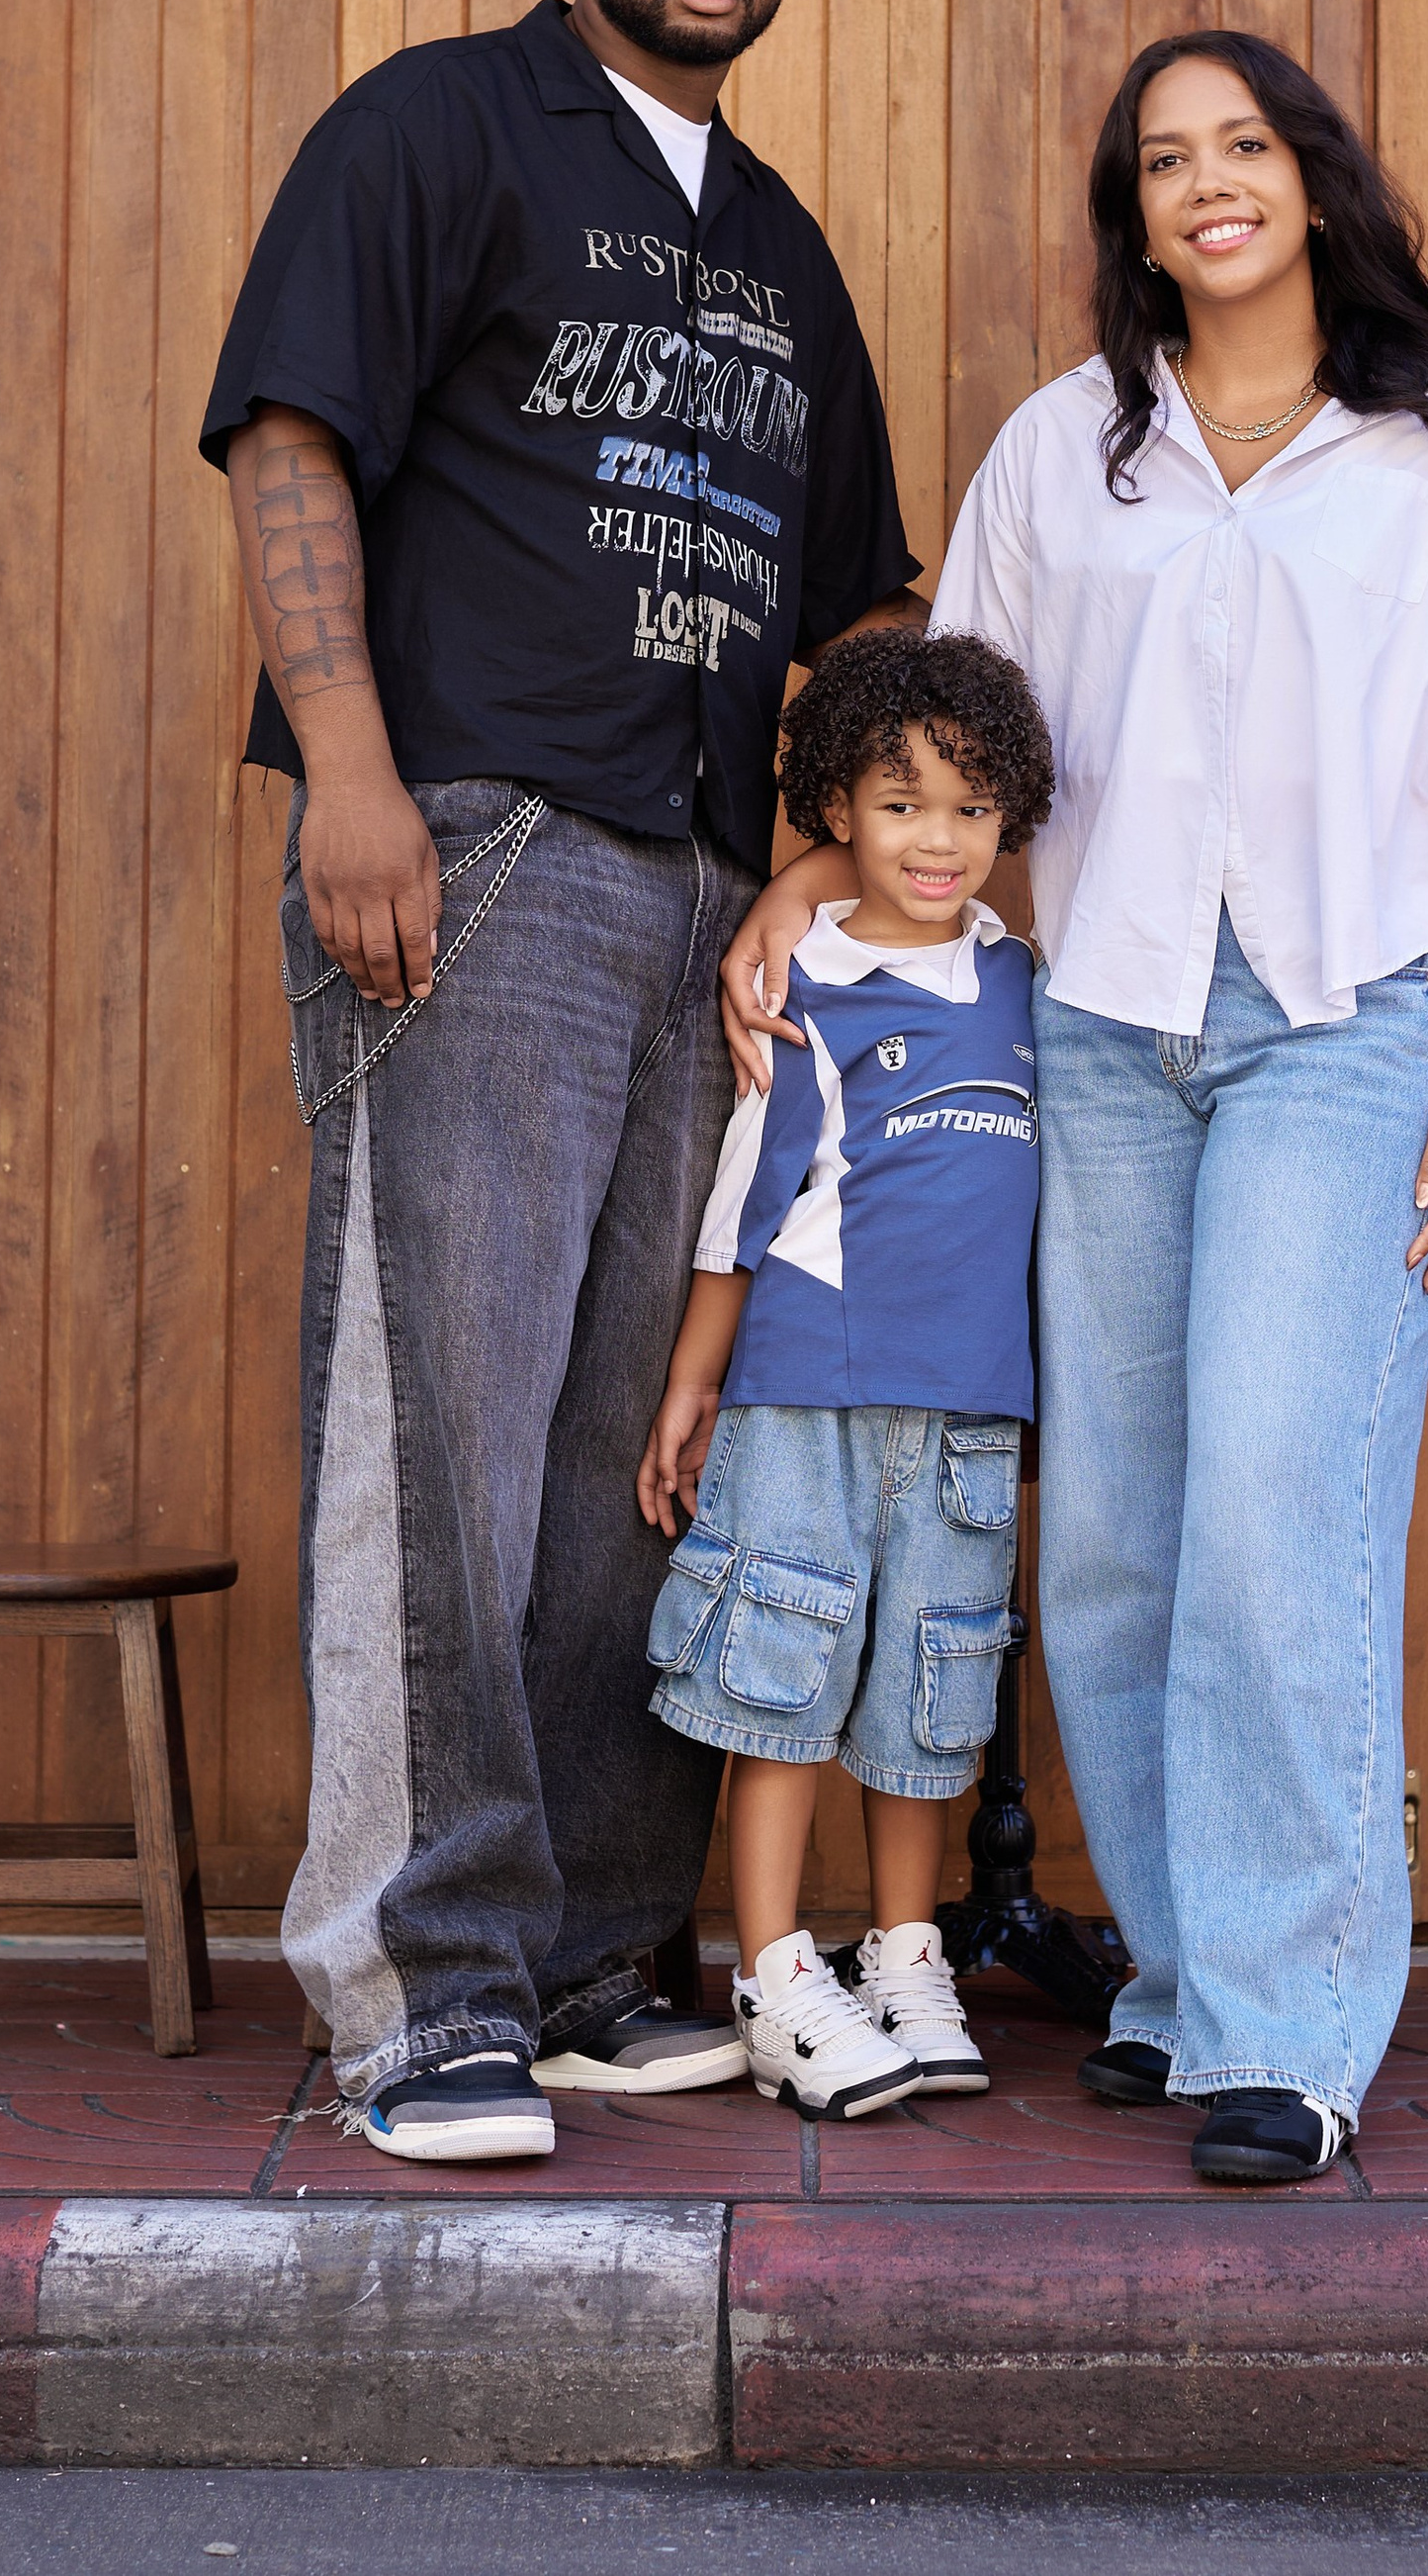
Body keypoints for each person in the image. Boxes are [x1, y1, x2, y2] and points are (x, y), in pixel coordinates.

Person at [723, 30, 1428, 2187]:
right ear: (1134, 215)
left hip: (1342, 1022)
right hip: (1091, 1029)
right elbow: (953, 720)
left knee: (1276, 1514)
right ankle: (1187, 1982)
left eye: (1242, 148)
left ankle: (1293, 2027)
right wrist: (814, 872)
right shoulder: (1060, 450)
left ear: (1310, 181)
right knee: (1109, 1537)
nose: (1206, 186)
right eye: (1161, 162)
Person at [201, 0, 922, 2163]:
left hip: (709, 894)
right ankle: (416, 1978)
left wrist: (821, 875)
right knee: (443, 1421)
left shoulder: (781, 255)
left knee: (635, 1451)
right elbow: (292, 438)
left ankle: (594, 1949)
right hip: (481, 855)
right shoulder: (437, 129)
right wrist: (355, 772)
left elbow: (855, 607)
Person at [638, 627, 1051, 2121]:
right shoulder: (803, 978)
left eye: (968, 810)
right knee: (784, 1677)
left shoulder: (1029, 980)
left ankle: (905, 1952)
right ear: (837, 814)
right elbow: (749, 1193)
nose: (936, 841)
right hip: (805, 1389)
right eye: (897, 805)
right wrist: (694, 1385)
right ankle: (776, 1975)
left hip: (967, 1407)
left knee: (932, 1687)